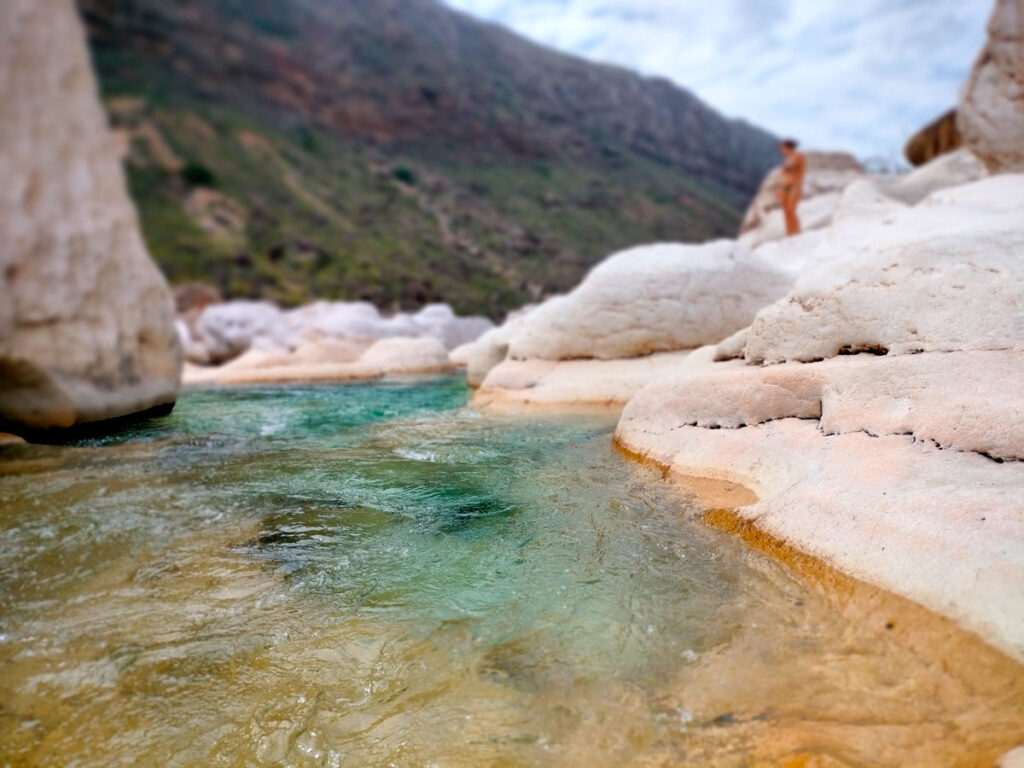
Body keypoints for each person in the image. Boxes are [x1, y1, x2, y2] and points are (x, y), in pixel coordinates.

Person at [777, 139, 806, 236]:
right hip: (784, 187)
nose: (781, 150)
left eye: (782, 148)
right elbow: (784, 175)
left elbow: (790, 167)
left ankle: (797, 233)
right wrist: (779, 189)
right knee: (785, 211)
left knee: (791, 210)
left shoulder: (798, 156)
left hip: (794, 186)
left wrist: (785, 168)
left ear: (787, 147)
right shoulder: (787, 159)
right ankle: (789, 234)